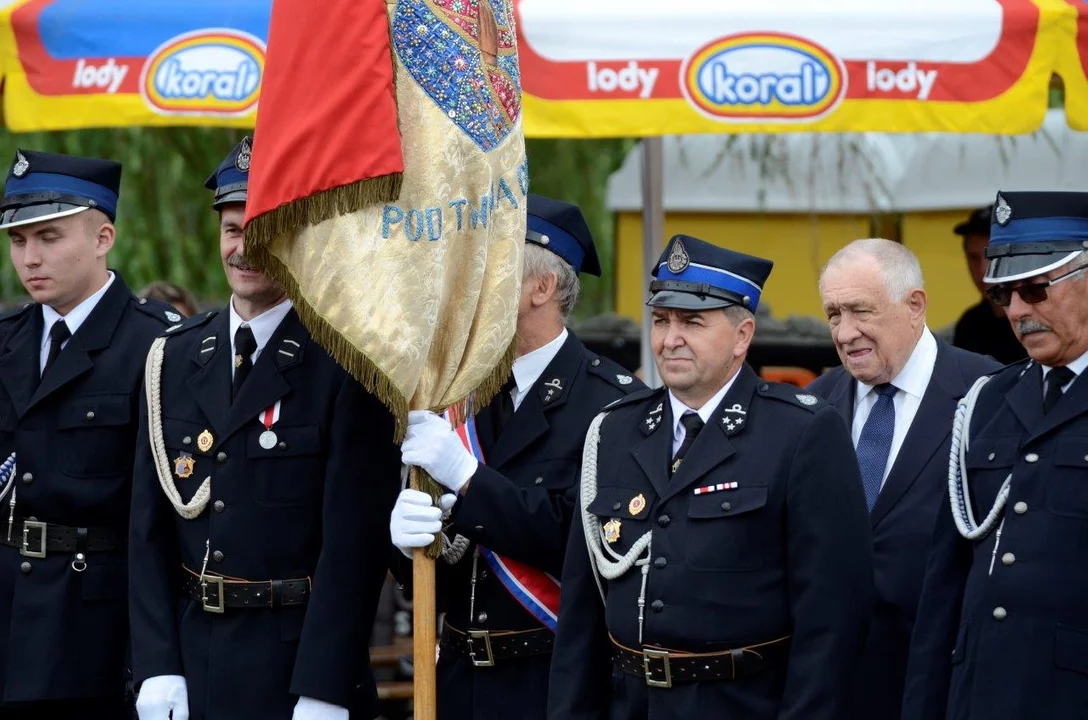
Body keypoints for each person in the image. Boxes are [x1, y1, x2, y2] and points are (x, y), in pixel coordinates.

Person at [129, 137, 402, 720]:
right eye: (233, 229)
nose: (245, 246)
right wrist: (156, 666)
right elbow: (147, 535)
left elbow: (352, 548)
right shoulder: (173, 357)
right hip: (193, 662)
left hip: (295, 666)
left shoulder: (347, 364)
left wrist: (324, 688)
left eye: (264, 226)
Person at [548, 234, 874, 720]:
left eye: (692, 322)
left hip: (738, 703)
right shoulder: (614, 430)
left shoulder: (801, 432)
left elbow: (832, 623)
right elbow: (580, 613)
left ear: (742, 336)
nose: (669, 338)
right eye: (661, 320)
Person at [389, 195, 644, 720]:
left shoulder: (613, 404)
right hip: (458, 679)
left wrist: (466, 478)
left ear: (542, 287)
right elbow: (441, 568)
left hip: (551, 682)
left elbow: (579, 541)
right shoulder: (461, 392)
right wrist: (403, 539)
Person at [0, 150, 176, 717]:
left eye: (49, 237)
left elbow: (165, 521)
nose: (30, 258)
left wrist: (158, 661)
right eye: (18, 241)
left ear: (103, 238)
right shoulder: (7, 338)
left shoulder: (158, 345)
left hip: (94, 631)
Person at [903, 191, 1088, 720]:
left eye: (1035, 289)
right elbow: (945, 585)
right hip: (978, 692)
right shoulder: (988, 400)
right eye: (1004, 295)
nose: (1017, 311)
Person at [807, 238, 998, 720]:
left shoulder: (989, 396)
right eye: (833, 315)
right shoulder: (811, 406)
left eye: (859, 311)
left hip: (943, 681)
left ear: (915, 306)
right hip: (832, 687)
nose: (845, 332)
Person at [951, 205, 1027, 364]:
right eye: (973, 257)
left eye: (992, 256)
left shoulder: (1036, 315)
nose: (983, 270)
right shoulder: (969, 325)